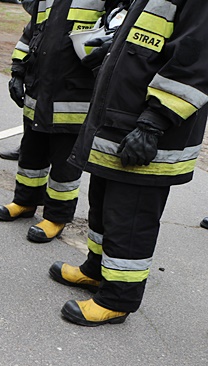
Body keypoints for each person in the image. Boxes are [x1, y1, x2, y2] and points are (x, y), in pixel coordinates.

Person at [50, 0, 208, 326]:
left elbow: (195, 61)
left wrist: (154, 122)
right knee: (103, 206)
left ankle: (117, 299)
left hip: (150, 130)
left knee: (130, 217)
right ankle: (96, 270)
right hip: (121, 121)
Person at [0, 0, 122, 243]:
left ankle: (56, 217)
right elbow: (31, 31)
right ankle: (25, 201)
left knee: (65, 164)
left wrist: (108, 47)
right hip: (38, 90)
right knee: (31, 153)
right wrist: (17, 71)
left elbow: (120, 26)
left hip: (74, 96)